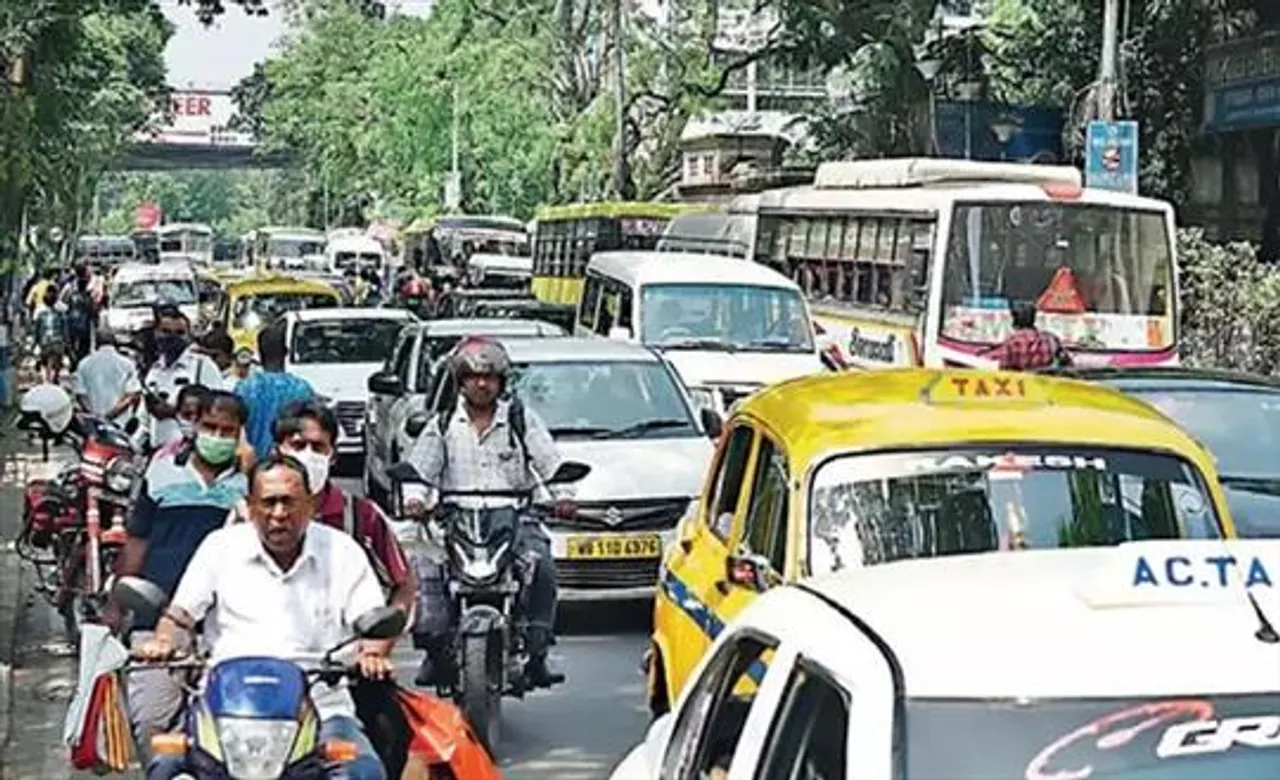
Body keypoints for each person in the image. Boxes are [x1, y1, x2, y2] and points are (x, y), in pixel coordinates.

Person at [134, 455, 395, 780]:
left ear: (310, 505)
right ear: (250, 506)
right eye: (269, 502)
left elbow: (372, 620)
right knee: (165, 769)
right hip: (224, 710)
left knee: (364, 773)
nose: (279, 514)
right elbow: (181, 615)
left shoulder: (342, 551)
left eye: (289, 502)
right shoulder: (220, 547)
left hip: (320, 706)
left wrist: (372, 654)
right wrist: (163, 641)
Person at [405, 336, 572, 688]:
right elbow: (420, 471)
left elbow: (549, 462)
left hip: (514, 516)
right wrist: (416, 500)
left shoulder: (520, 419)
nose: (482, 384)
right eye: (474, 377)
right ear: (461, 382)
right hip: (456, 519)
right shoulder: (443, 424)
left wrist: (563, 496)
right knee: (426, 569)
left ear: (501, 382)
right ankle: (434, 652)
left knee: (542, 565)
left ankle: (537, 654)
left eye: (489, 377)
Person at [108, 391, 249, 774]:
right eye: (210, 427)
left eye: (228, 431)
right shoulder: (161, 472)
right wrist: (115, 606)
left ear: (240, 434)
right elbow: (136, 544)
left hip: (225, 627)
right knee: (151, 724)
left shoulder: (251, 486)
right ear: (194, 425)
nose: (217, 436)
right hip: (157, 623)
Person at [271, 400, 417, 618]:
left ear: (332, 455)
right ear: (277, 451)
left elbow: (403, 582)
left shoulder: (361, 515)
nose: (308, 455)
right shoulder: (255, 515)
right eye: (298, 446)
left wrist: (387, 629)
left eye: (318, 447)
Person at [141, 305, 225, 450]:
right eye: (166, 331)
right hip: (158, 452)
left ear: (188, 336)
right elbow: (144, 420)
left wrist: (175, 412)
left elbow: (218, 410)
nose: (172, 338)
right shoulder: (154, 371)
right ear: (156, 334)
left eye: (180, 333)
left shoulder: (202, 366)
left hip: (191, 450)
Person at [234, 318, 314, 461]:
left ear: (259, 354)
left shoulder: (244, 388)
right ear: (286, 352)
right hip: (291, 464)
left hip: (252, 463)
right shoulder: (301, 388)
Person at [73, 324, 141, 423]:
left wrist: (96, 416)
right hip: (120, 422)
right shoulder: (127, 364)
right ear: (114, 343)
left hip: (94, 423)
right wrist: (111, 415)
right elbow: (132, 395)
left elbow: (81, 396)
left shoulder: (84, 364)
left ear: (96, 343)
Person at [989, 300, 1073, 371]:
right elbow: (1068, 365)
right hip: (1047, 384)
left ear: (1014, 320)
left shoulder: (1012, 343)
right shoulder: (1051, 339)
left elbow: (1004, 371)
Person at [59, 263, 96, 366]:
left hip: (78, 323)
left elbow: (62, 303)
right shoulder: (71, 288)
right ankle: (77, 362)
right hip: (77, 323)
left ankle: (78, 362)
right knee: (77, 346)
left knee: (78, 346)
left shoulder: (71, 288)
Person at [32, 285, 68, 384]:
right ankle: (55, 377)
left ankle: (46, 380)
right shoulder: (61, 313)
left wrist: (34, 344)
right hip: (58, 342)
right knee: (58, 361)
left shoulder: (40, 313)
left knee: (44, 362)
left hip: (44, 343)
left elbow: (36, 331)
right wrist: (68, 345)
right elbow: (65, 331)